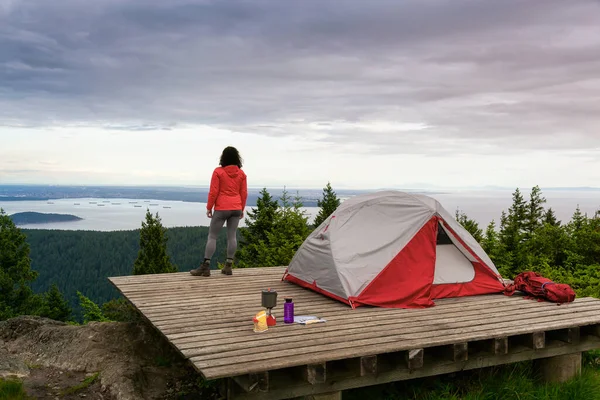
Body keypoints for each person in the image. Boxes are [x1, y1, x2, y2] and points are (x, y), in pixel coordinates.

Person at [190, 146, 247, 277]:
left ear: (223, 157)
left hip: (222, 208)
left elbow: (214, 191)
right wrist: (241, 208)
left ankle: (205, 266)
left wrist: (209, 207)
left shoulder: (218, 172)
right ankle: (228, 266)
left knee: (212, 236)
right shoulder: (242, 174)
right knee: (232, 236)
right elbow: (243, 193)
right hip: (236, 207)